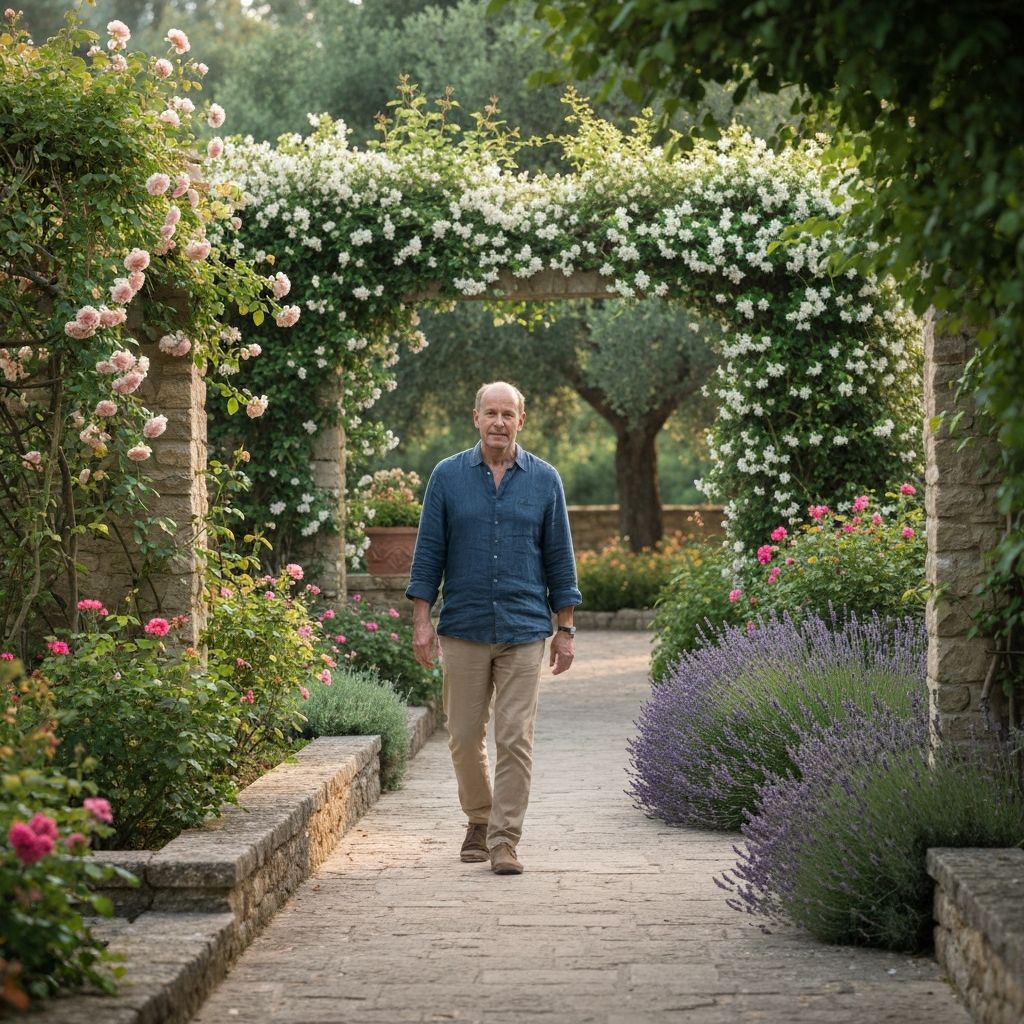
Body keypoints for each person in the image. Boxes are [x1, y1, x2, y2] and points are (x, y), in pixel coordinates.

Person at [407, 381, 582, 876]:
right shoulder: (447, 477)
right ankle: (478, 820)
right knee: (463, 737)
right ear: (476, 417)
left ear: (521, 420)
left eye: (508, 413)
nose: (499, 422)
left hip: (525, 628)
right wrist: (422, 620)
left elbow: (560, 561)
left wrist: (564, 629)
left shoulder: (545, 480)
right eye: (491, 413)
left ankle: (504, 839)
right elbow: (427, 556)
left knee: (514, 738)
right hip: (462, 627)